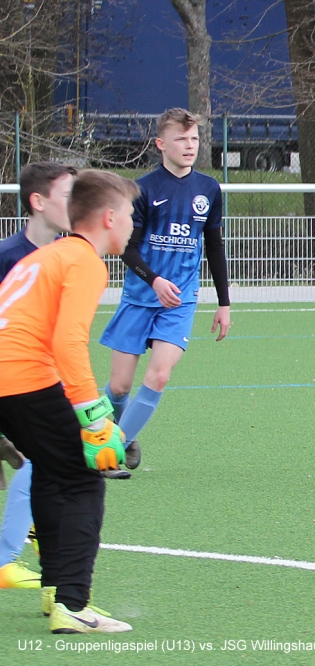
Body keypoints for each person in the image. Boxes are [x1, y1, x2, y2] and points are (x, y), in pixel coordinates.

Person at [0, 169, 139, 632]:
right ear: (109, 217)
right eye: (130, 215)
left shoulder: (47, 256)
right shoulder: (84, 261)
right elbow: (68, 341)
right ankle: (73, 605)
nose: (133, 225)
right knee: (83, 478)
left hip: (9, 380)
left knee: (50, 470)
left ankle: (54, 591)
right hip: (23, 377)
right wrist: (94, 418)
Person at [100, 108, 231, 475]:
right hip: (139, 298)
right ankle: (116, 433)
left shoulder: (208, 189)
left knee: (159, 376)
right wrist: (154, 280)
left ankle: (110, 449)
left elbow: (214, 246)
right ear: (160, 144)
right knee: (119, 387)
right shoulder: (142, 189)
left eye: (194, 139)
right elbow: (127, 249)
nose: (190, 146)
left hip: (179, 302)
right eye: (181, 139)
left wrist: (224, 303)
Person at [0, 163, 77, 590]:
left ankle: (41, 570)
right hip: (12, 382)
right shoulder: (8, 256)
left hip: (41, 383)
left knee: (46, 466)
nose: (76, 205)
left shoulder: (70, 256)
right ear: (38, 202)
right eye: (68, 196)